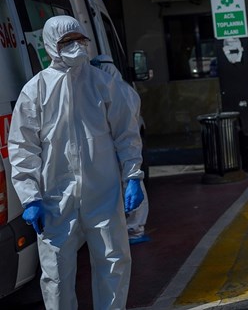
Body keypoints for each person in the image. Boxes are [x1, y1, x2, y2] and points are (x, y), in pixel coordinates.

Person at [8, 16, 144, 310]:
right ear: (51, 46)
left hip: (103, 192)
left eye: (80, 40)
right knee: (56, 273)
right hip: (56, 197)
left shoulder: (103, 84)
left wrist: (133, 175)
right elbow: (22, 148)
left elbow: (126, 133)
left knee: (113, 261)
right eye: (67, 42)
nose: (76, 47)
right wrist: (31, 198)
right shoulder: (36, 90)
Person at [91, 54, 150, 245]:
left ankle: (134, 229)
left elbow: (125, 126)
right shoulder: (127, 90)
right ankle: (133, 228)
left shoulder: (115, 92)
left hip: (121, 147)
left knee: (131, 187)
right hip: (125, 147)